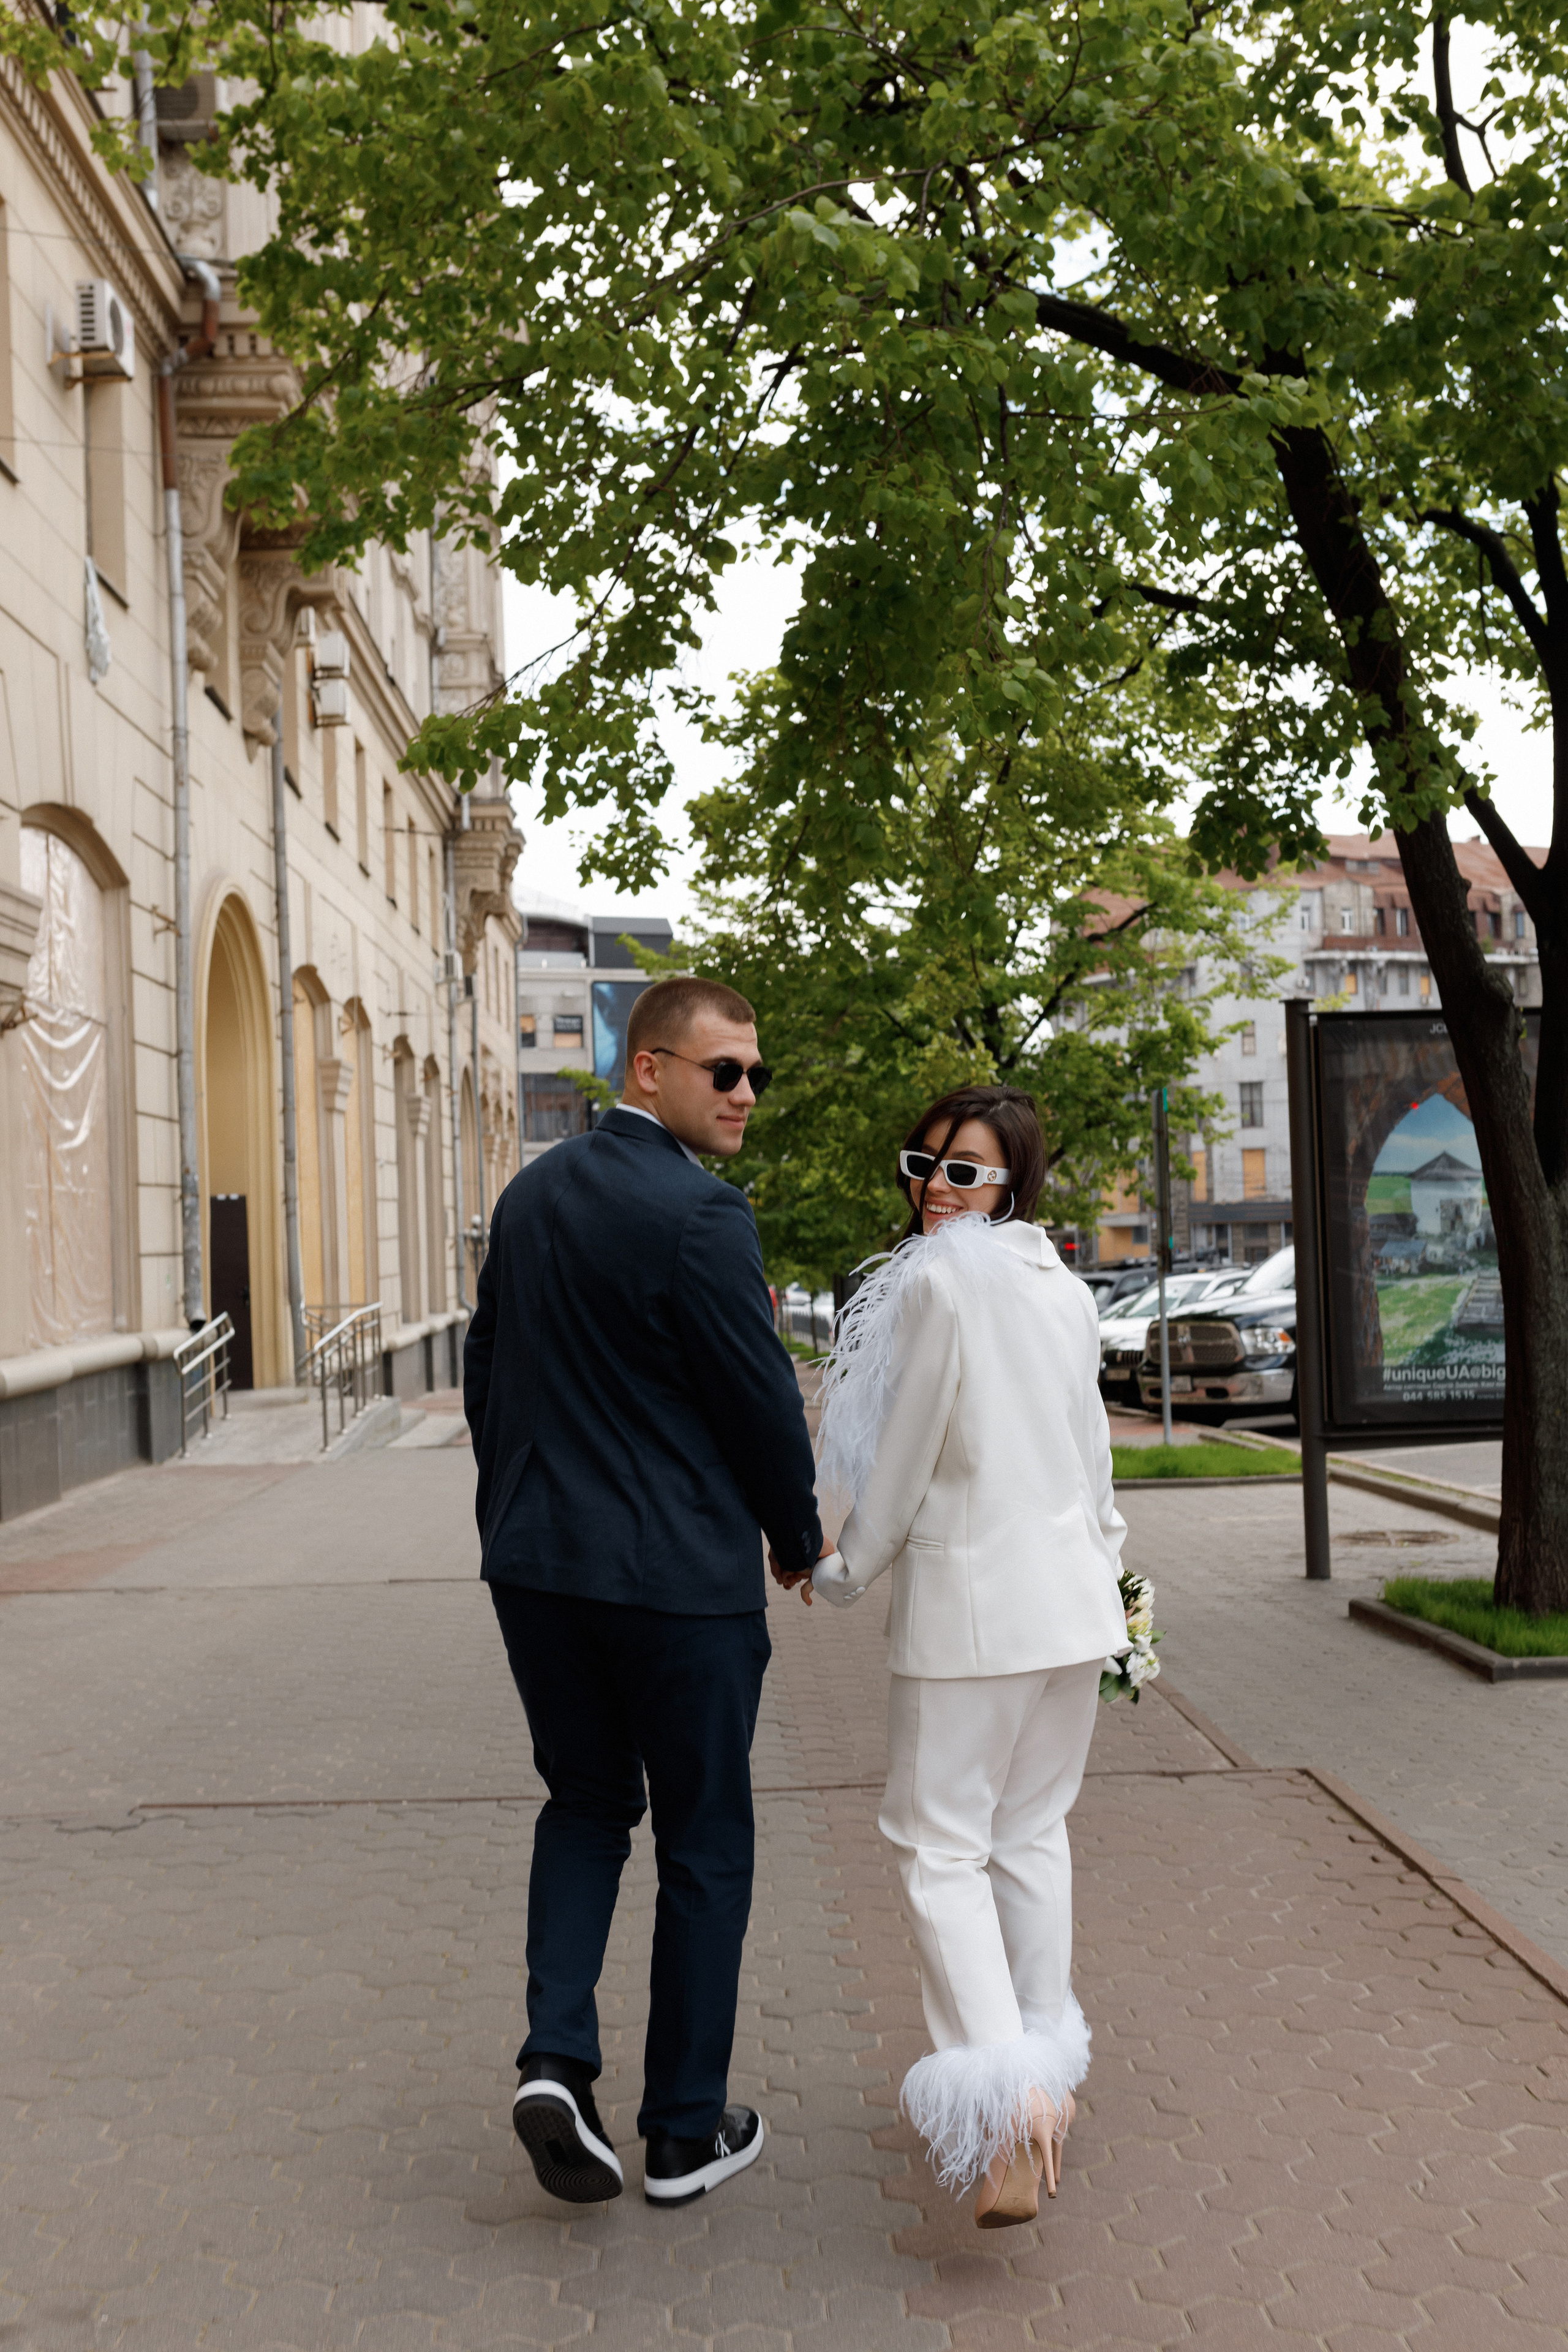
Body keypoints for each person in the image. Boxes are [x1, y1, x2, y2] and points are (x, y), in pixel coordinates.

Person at [466, 976, 827, 2209]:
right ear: (647, 1073)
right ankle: (680, 2133)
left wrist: (513, 1509)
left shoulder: (524, 1201)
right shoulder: (701, 1217)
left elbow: (486, 1376)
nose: (743, 1095)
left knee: (580, 1807)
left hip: (536, 1572)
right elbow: (760, 1403)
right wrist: (795, 1535)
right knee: (704, 1842)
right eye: (721, 1070)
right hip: (676, 1588)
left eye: (753, 1074)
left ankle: (555, 2063)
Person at [778, 1085, 1128, 2228]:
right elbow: (1096, 1462)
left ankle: (1015, 2103)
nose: (936, 1189)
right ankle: (1044, 2064)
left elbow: (909, 1459)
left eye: (964, 1172)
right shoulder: (1063, 1287)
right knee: (1029, 1838)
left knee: (938, 1853)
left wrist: (838, 1573)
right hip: (1071, 1612)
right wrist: (1114, 1582)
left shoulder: (938, 1282)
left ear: (1011, 1183)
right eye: (922, 1164)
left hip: (974, 1617)